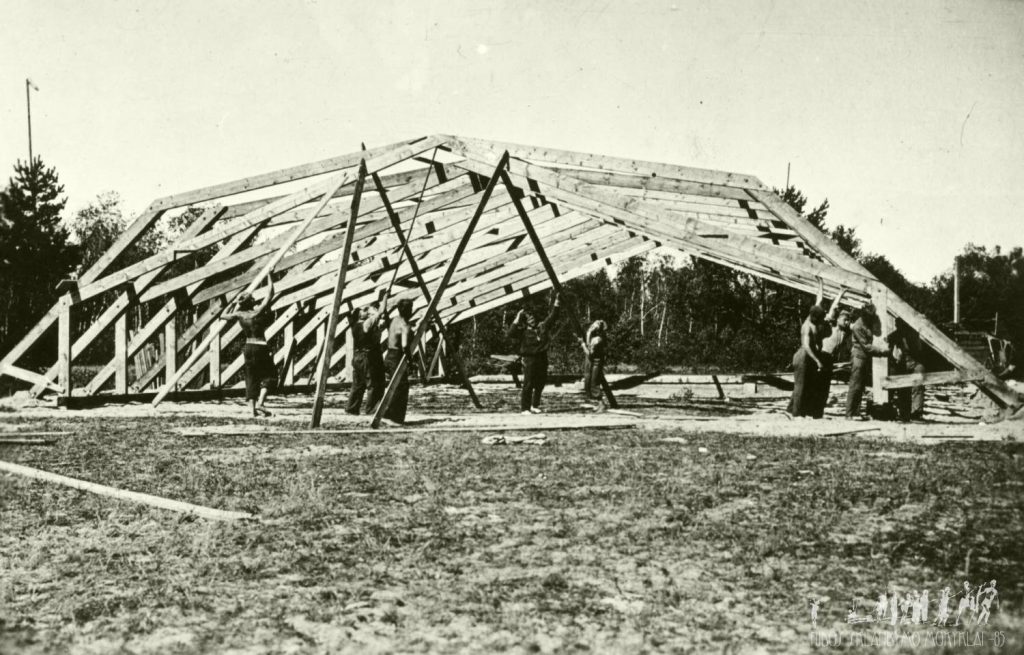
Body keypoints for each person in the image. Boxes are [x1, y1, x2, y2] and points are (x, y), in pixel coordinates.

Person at [224, 279, 276, 418]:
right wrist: (270, 276)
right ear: (251, 302)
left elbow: (223, 316)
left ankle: (252, 410)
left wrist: (233, 305)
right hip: (260, 346)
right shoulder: (257, 312)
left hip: (248, 347)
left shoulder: (239, 315)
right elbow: (270, 293)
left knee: (251, 377)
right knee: (270, 376)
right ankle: (261, 403)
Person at [507, 293, 561, 415]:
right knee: (529, 383)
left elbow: (553, 316)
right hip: (529, 359)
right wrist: (517, 316)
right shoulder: (523, 331)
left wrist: (557, 302)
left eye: (533, 318)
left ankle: (534, 405)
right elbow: (510, 333)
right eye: (529, 319)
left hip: (542, 358)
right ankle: (525, 408)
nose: (532, 320)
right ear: (526, 322)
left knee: (540, 383)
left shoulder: (542, 327)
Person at [845, 303, 889, 419]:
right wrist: (882, 351)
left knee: (860, 386)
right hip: (858, 357)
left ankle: (856, 412)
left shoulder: (868, 322)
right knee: (854, 385)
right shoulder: (858, 326)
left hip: (865, 358)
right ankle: (848, 414)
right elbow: (866, 346)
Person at [345, 301, 386, 415]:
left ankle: (351, 408)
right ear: (359, 314)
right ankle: (372, 410)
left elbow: (378, 325)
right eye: (364, 310)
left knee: (358, 384)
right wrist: (385, 297)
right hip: (366, 357)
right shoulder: (366, 323)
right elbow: (380, 313)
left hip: (357, 357)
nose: (366, 311)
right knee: (372, 384)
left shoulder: (355, 325)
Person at [815, 291, 852, 418]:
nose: (847, 322)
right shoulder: (831, 326)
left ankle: (818, 412)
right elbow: (833, 308)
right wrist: (841, 293)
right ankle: (814, 411)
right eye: (845, 319)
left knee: (825, 386)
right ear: (838, 319)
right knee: (819, 385)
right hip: (822, 356)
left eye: (848, 320)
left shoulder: (845, 332)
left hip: (830, 359)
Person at [789, 304, 828, 417]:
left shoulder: (814, 321)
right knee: (800, 386)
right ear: (815, 317)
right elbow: (806, 345)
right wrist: (817, 360)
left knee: (807, 386)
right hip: (803, 356)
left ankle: (793, 410)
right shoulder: (807, 326)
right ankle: (796, 414)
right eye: (820, 318)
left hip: (809, 357)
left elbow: (819, 300)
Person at [382, 298, 414, 425]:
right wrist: (410, 359)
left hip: (389, 354)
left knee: (393, 385)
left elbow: (385, 316)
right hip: (397, 356)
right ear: (408, 310)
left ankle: (386, 414)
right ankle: (395, 418)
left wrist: (385, 297)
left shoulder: (394, 320)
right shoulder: (404, 325)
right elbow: (405, 345)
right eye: (411, 309)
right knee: (401, 386)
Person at [890, 318, 926, 422]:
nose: (898, 327)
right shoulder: (896, 335)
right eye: (897, 325)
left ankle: (916, 412)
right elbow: (888, 343)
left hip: (915, 363)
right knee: (903, 388)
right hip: (902, 364)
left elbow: (919, 349)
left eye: (899, 325)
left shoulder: (914, 334)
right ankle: (904, 413)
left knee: (918, 385)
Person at [583, 319, 608, 408]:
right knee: (588, 380)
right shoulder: (595, 338)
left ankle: (601, 404)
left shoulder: (597, 340)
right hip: (593, 361)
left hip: (596, 362)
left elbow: (589, 353)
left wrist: (582, 345)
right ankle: (597, 403)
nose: (591, 328)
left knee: (594, 383)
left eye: (594, 327)